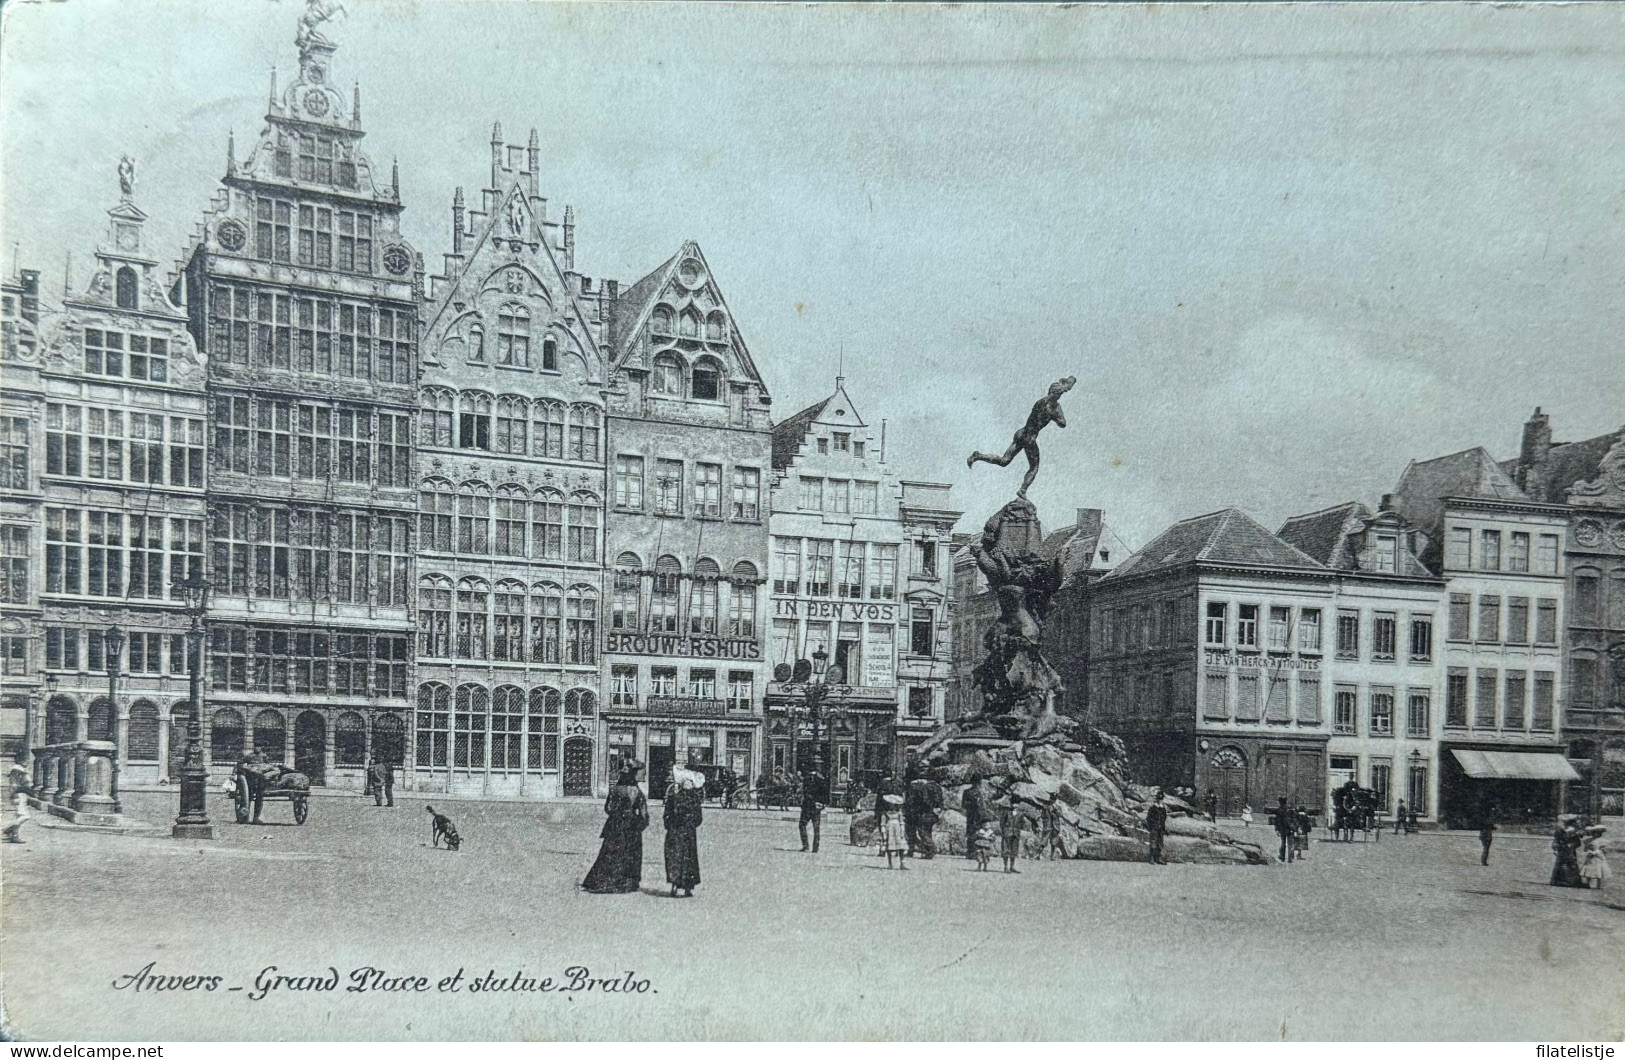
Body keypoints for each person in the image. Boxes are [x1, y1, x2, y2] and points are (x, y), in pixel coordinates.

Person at [966, 376, 1076, 497]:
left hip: (1021, 434)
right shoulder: (1050, 406)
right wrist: (1056, 415)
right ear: (1054, 393)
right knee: (1034, 467)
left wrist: (1066, 387)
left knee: (1004, 461)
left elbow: (1063, 423)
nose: (1059, 396)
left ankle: (978, 456)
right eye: (1058, 393)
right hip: (1030, 438)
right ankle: (1023, 490)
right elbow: (1061, 422)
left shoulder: (1045, 403)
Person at [582, 761, 650, 894]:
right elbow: (643, 814)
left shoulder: (614, 789)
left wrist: (616, 816)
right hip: (630, 827)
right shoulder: (636, 791)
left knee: (608, 853)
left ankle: (601, 881)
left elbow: (608, 808)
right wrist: (639, 825)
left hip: (614, 825)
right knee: (629, 855)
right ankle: (624, 883)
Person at [663, 776, 703, 897]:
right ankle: (679, 886)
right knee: (681, 858)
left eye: (690, 782)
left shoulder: (691, 798)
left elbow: (699, 817)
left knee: (682, 858)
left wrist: (687, 824)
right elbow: (667, 814)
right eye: (686, 782)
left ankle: (683, 886)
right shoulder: (677, 797)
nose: (687, 784)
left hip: (682, 832)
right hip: (681, 831)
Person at [904, 773, 942, 859]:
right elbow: (940, 801)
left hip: (923, 812)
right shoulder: (937, 787)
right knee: (928, 832)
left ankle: (931, 848)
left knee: (922, 832)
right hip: (933, 813)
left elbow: (924, 800)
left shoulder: (922, 787)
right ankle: (928, 852)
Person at [799, 759, 829, 853]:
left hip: (808, 806)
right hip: (817, 807)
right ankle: (815, 847)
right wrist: (822, 804)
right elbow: (825, 794)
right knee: (816, 827)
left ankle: (806, 845)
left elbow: (806, 793)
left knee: (802, 825)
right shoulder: (822, 779)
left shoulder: (807, 779)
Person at [1550, 816, 1586, 888]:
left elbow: (1578, 842)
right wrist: (1556, 846)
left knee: (1571, 864)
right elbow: (1556, 840)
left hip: (1570, 851)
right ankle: (1559, 881)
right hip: (1562, 850)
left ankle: (1571, 881)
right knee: (1562, 864)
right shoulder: (1560, 831)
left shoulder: (1573, 832)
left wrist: (1571, 845)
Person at [876, 791, 909, 869]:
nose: (892, 806)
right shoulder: (885, 813)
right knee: (889, 846)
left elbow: (901, 822)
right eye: (890, 804)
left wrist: (902, 831)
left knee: (901, 846)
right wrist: (884, 833)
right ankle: (890, 863)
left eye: (894, 804)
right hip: (889, 828)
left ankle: (902, 863)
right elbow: (883, 823)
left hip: (897, 828)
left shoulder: (899, 812)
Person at [962, 776, 992, 861]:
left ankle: (974, 852)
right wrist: (974, 803)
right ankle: (971, 852)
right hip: (973, 815)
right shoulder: (972, 792)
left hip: (974, 816)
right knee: (973, 833)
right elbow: (964, 804)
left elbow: (964, 805)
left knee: (974, 833)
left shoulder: (973, 792)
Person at [998, 799, 1027, 873]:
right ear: (1011, 804)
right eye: (1013, 803)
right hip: (1007, 833)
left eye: (1017, 804)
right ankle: (1005, 867)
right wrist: (1004, 830)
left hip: (1016, 834)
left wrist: (1018, 829)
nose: (1015, 805)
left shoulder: (1020, 814)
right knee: (1006, 850)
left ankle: (1012, 867)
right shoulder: (1006, 812)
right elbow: (1001, 822)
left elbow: (1023, 823)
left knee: (1014, 851)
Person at [1580, 826, 1610, 891]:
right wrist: (1588, 849)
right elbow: (1585, 849)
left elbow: (1605, 851)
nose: (1596, 835)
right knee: (1589, 869)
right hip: (1590, 857)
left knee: (1598, 870)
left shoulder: (1602, 841)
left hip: (1598, 856)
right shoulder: (1588, 840)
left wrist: (1598, 851)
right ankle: (1587, 883)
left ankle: (1598, 885)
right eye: (1595, 833)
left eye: (1598, 833)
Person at [1146, 790, 1169, 865]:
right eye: (1159, 799)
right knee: (1153, 842)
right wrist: (1152, 826)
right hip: (1154, 827)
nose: (1161, 801)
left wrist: (1163, 827)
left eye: (1161, 799)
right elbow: (1149, 818)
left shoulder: (1163, 809)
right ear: (1157, 799)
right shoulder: (1153, 808)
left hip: (1160, 828)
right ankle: (1152, 858)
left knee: (1160, 842)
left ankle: (1158, 858)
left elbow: (1164, 818)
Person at [1273, 797, 1296, 863]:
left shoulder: (1278, 810)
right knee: (1290, 843)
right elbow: (1293, 819)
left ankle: (1282, 856)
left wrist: (1277, 829)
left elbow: (1276, 821)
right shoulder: (1289, 809)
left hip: (1282, 828)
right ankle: (1290, 858)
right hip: (1289, 828)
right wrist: (1294, 827)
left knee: (1283, 843)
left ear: (1280, 802)